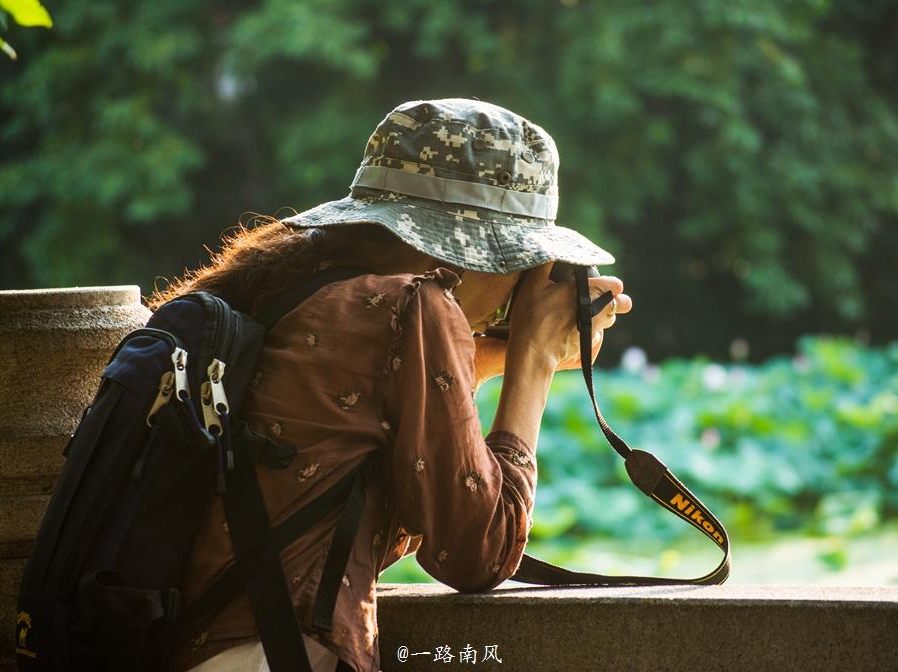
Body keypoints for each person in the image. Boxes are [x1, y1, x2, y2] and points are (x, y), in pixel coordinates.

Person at [153, 98, 631, 672]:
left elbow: (362, 443)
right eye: (523, 264)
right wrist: (533, 359)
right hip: (271, 654)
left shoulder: (304, 287)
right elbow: (477, 551)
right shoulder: (415, 303)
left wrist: (483, 360)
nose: (518, 289)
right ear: (472, 250)